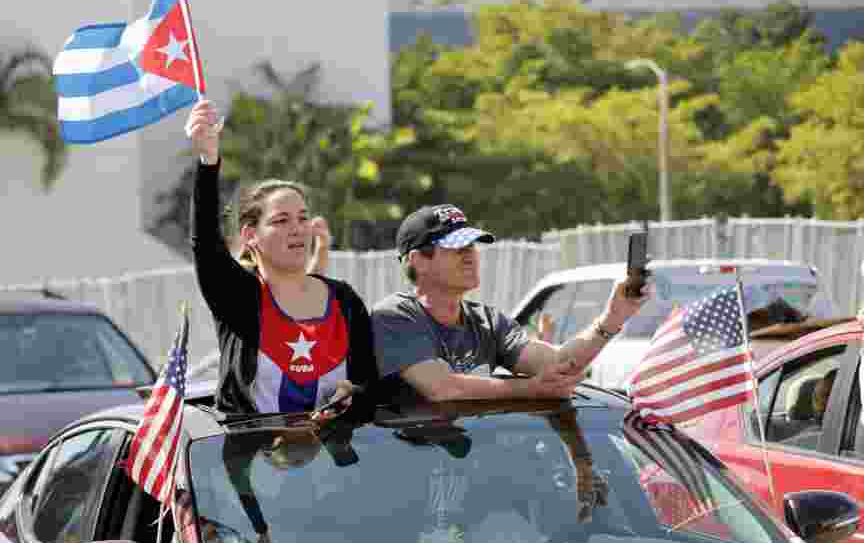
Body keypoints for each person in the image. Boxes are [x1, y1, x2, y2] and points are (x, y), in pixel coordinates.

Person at [186, 100, 378, 416]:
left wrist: (354, 395)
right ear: (250, 235)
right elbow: (205, 242)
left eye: (303, 218)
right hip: (253, 448)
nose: (297, 229)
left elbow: (370, 388)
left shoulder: (345, 301)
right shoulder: (239, 297)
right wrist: (208, 161)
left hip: (334, 450)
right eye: (281, 221)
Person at [371, 204, 650, 404]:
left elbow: (559, 364)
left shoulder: (488, 321)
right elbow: (442, 388)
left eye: (472, 246)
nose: (470, 256)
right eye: (457, 247)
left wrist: (613, 317)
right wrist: (530, 389)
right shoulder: (393, 317)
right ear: (419, 261)